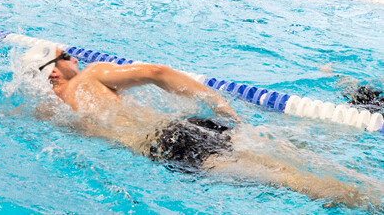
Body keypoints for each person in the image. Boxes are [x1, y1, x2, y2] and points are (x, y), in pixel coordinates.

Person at [21, 45, 384, 210]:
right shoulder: (91, 75)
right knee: (293, 160)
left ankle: (365, 199)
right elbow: (157, 72)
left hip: (165, 148)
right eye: (65, 55)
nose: (75, 57)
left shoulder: (47, 110)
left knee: (285, 176)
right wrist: (216, 100)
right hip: (181, 130)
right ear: (53, 71)